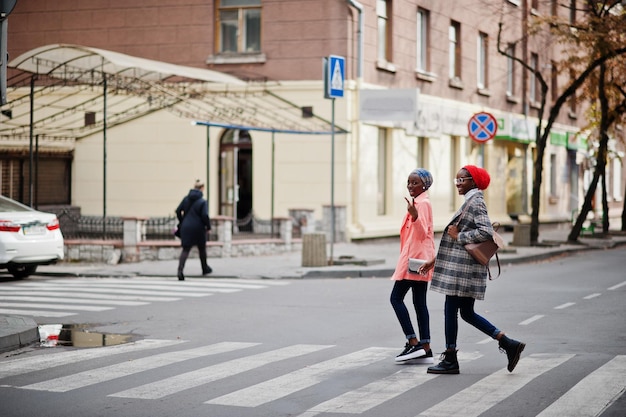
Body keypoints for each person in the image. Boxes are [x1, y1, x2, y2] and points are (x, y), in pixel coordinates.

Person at [420, 165, 525, 374]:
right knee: (466, 313)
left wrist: (458, 236)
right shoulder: (471, 201)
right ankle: (508, 343)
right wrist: (434, 260)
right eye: (456, 180)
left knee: (451, 309)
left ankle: (450, 357)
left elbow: (485, 232)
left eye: (462, 180)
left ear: (473, 181)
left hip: (462, 270)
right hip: (462, 268)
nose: (458, 184)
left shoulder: (475, 202)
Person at [390, 168, 436, 364]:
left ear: (424, 185)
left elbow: (421, 233)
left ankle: (413, 341)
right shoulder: (418, 202)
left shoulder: (422, 204)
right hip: (419, 259)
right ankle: (425, 348)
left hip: (416, 261)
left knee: (396, 298)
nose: (410, 186)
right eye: (409, 182)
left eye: (415, 183)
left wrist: (415, 216)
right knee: (419, 302)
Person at [175, 180, 212, 281]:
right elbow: (205, 215)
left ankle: (180, 271)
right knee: (202, 248)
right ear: (202, 188)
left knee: (186, 249)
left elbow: (178, 210)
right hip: (199, 228)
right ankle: (204, 268)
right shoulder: (202, 201)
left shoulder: (186, 199)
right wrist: (208, 227)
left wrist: (182, 221)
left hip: (186, 227)